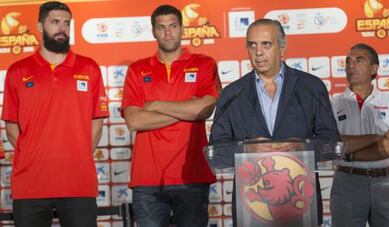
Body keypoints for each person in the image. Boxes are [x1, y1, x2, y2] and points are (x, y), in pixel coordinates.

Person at [210, 18, 338, 226]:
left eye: (266, 44)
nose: (258, 52)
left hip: (300, 201)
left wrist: (298, 146)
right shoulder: (233, 94)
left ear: (282, 47)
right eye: (252, 45)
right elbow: (218, 148)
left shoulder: (311, 87)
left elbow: (331, 140)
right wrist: (249, 149)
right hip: (250, 204)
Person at [1, 1, 108, 226]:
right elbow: (12, 126)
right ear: (40, 26)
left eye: (67, 23)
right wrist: (35, 155)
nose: (62, 28)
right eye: (55, 22)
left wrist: (76, 157)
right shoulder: (18, 71)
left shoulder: (89, 68)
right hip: (30, 183)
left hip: (78, 182)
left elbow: (97, 121)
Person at [121, 5, 221, 227]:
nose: (168, 32)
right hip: (148, 179)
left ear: (182, 28)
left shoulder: (204, 64)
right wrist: (189, 109)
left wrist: (155, 105)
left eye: (173, 26)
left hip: (192, 175)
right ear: (154, 31)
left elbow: (205, 109)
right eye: (161, 27)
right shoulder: (137, 69)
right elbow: (134, 120)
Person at [330, 43, 389, 227]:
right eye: (348, 61)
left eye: (359, 60)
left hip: (387, 183)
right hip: (347, 182)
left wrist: (350, 153)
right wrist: (377, 137)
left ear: (374, 68)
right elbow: (334, 146)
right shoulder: (332, 103)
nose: (350, 65)